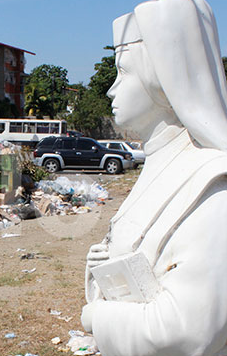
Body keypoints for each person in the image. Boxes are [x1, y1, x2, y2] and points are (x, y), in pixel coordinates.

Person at [81, 0, 227, 355]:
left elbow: (187, 331)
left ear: (162, 78)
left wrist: (94, 316)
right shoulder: (160, 162)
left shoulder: (213, 184)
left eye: (123, 72)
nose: (111, 89)